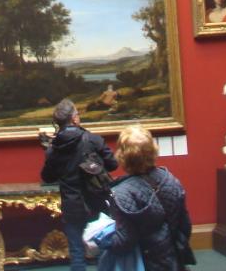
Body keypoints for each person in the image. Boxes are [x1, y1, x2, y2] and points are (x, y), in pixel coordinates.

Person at [40, 98, 118, 271]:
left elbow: (47, 177)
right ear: (74, 118)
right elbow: (113, 164)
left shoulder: (54, 149)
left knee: (76, 253)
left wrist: (50, 153)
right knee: (104, 249)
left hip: (72, 204)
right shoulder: (93, 140)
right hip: (97, 202)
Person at [103, 124, 192, 271]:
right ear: (152, 150)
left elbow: (125, 242)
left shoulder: (122, 193)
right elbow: (185, 226)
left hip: (142, 263)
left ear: (123, 156)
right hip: (172, 261)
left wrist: (102, 241)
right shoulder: (171, 180)